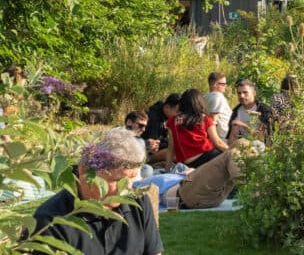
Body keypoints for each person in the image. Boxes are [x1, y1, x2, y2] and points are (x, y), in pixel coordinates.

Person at [33, 128, 162, 255]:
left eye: (132, 178)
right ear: (84, 171)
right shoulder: (50, 220)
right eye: (117, 180)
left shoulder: (139, 202)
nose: (127, 187)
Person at [167, 88, 227, 168]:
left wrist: (167, 169)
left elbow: (171, 147)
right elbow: (218, 142)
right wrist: (232, 152)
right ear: (199, 103)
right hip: (206, 156)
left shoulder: (172, 121)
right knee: (230, 157)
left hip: (186, 163)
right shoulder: (205, 119)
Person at [143, 93, 180, 165]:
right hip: (145, 152)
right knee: (171, 153)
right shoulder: (154, 118)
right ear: (167, 107)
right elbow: (154, 144)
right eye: (177, 111)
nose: (178, 115)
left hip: (155, 146)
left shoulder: (165, 114)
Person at [202, 71, 233, 140]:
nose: (225, 86)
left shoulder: (204, 97)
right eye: (223, 84)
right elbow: (213, 121)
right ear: (215, 84)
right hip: (223, 137)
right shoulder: (218, 97)